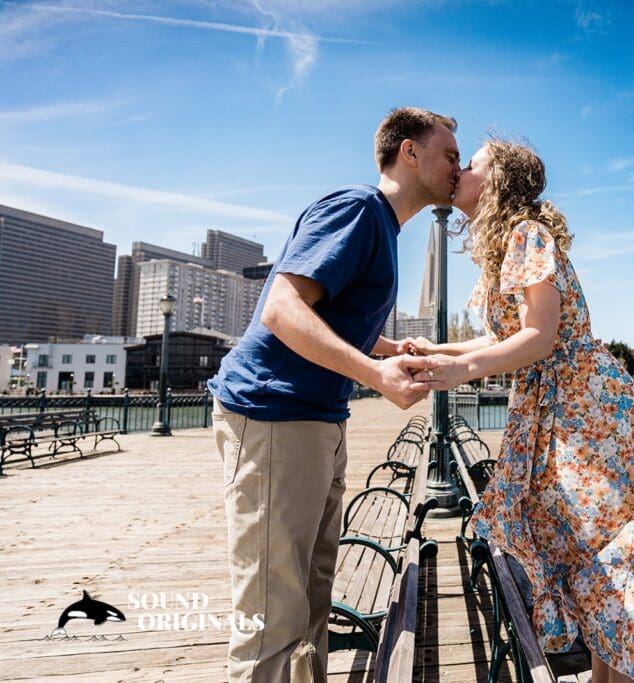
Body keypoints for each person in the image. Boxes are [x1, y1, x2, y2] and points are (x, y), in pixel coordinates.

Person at [406, 140, 634, 683]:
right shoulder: (509, 246)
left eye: (472, 163)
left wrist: (462, 371)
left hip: (590, 420)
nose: (459, 170)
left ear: (498, 180)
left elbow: (540, 334)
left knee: (610, 562)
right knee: (589, 558)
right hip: (562, 415)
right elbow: (500, 335)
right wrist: (430, 351)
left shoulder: (528, 234)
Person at [208, 107, 460, 682]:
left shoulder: (383, 228)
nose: (457, 166)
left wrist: (390, 348)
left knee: (312, 598)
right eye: (448, 154)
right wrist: (375, 377)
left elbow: (332, 318)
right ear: (409, 152)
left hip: (314, 418)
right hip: (274, 416)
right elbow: (282, 308)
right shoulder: (358, 210)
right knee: (273, 615)